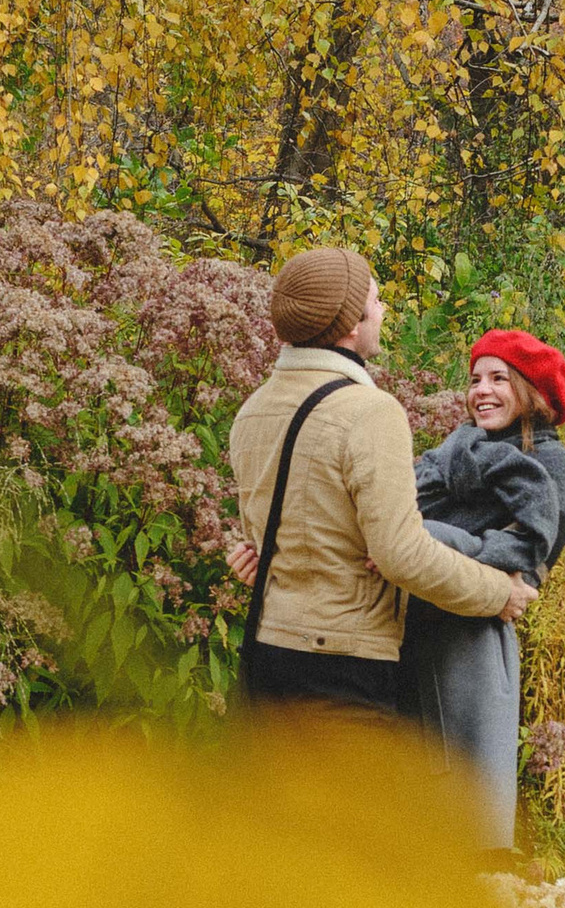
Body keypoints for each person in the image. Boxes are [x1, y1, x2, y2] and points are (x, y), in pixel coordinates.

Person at [226, 246, 532, 716]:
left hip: (268, 657)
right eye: (375, 299)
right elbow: (400, 554)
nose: (383, 310)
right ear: (352, 325)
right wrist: (498, 594)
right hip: (343, 669)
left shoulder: (253, 409)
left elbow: (266, 542)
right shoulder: (370, 412)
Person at [400, 328, 565, 848]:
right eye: (475, 378)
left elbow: (528, 560)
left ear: (532, 392)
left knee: (469, 807)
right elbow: (391, 519)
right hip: (406, 632)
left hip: (473, 642)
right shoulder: (450, 456)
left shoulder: (552, 468)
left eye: (499, 378)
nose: (481, 390)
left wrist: (423, 540)